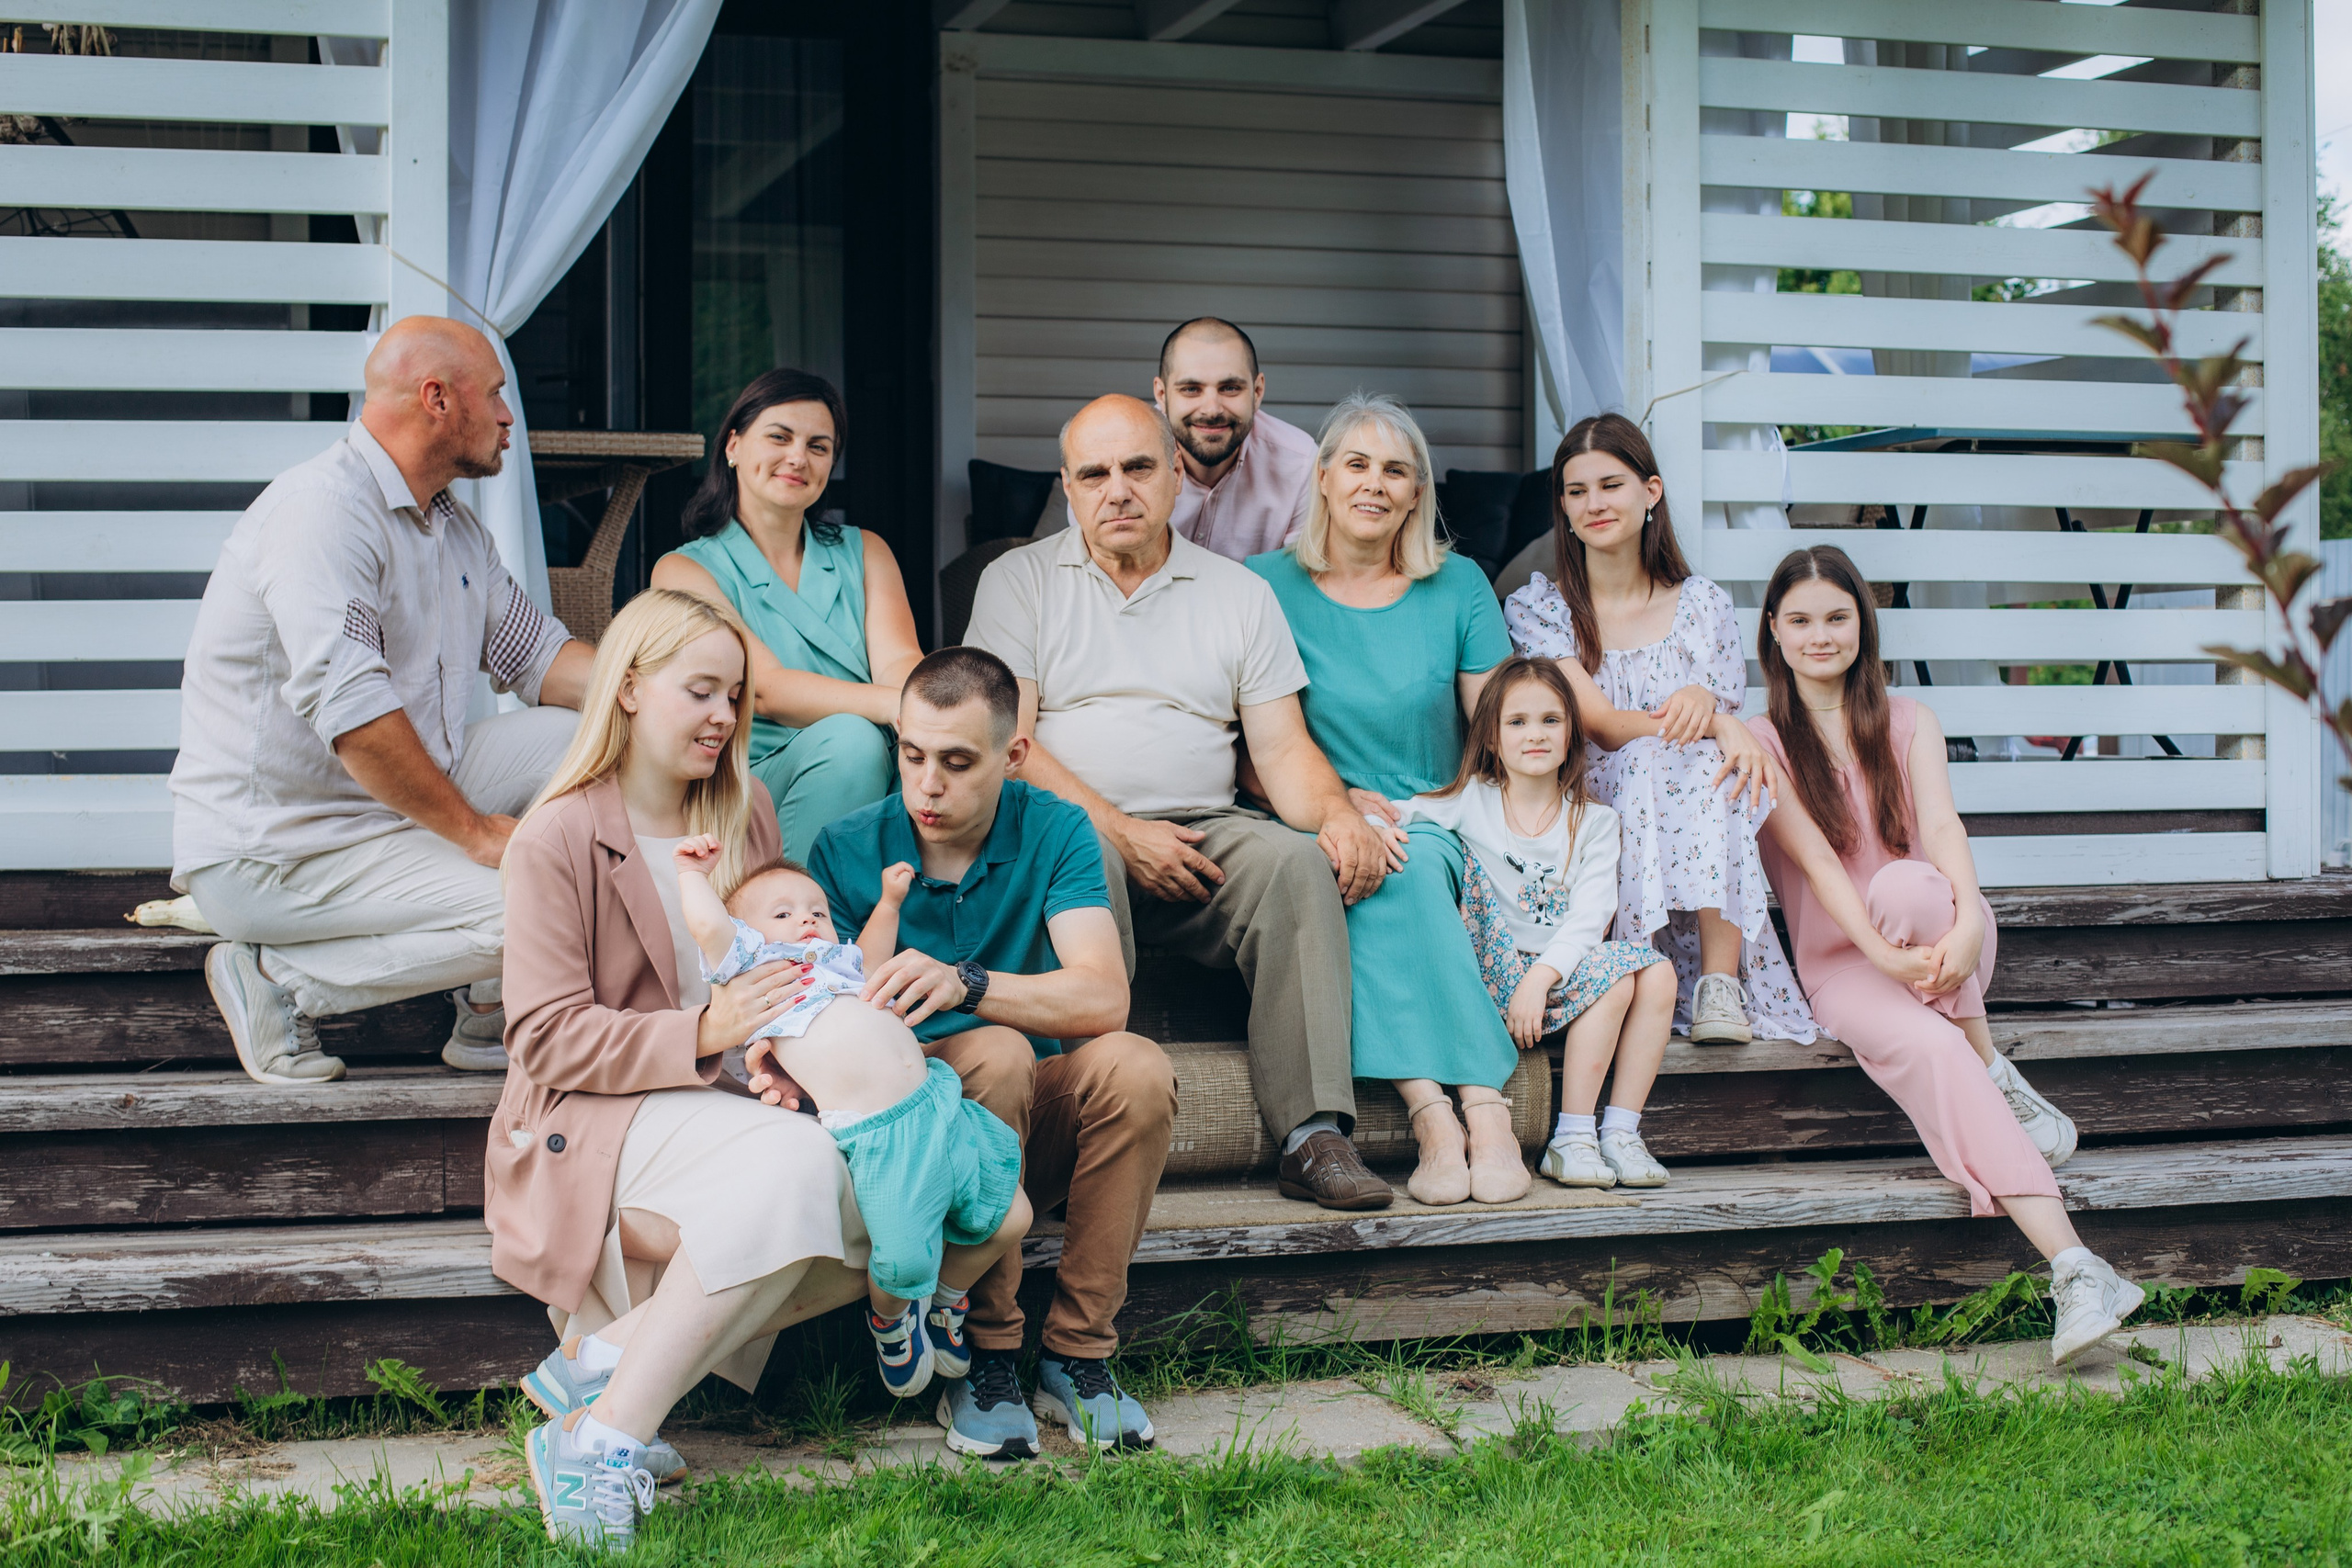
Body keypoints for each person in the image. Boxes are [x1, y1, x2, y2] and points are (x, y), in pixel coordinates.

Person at [497, 589, 873, 1552]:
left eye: (736, 698)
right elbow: (543, 1036)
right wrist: (703, 1029)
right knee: (800, 1175)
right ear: (627, 689)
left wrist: (784, 1062)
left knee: (877, 1182)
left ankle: (610, 1377)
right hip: (594, 1119)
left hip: (723, 1108)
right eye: (699, 690)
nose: (722, 716)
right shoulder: (558, 834)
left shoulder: (747, 819)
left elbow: (774, 988)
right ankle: (610, 1435)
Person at [967, 393, 1396, 1212]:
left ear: (1174, 476)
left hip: (1205, 831)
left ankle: (1312, 1135)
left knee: (1294, 865)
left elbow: (1280, 749)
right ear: (1068, 486)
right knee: (1079, 847)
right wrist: (1124, 831)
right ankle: (1084, 1120)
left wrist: (1339, 812)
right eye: (1094, 474)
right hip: (1068, 833)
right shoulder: (1017, 582)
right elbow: (1008, 747)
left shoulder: (1235, 593)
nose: (1117, 490)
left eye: (1137, 467)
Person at [172, 315, 592, 1087]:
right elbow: (356, 719)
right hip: (278, 849)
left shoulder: (454, 528)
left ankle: (486, 1003)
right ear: (437, 398)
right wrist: (478, 836)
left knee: (585, 736)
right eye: (496, 395)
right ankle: (278, 983)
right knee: (544, 906)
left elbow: (539, 659)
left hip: (386, 808)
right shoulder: (322, 514)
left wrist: (663, 695)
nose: (508, 417)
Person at [1745, 545, 2136, 1367]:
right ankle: (2077, 1263)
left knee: (1914, 886)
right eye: (1802, 620)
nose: (1822, 635)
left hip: (1947, 932)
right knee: (1930, 1044)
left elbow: (1947, 829)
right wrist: (1885, 965)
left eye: (1838, 617)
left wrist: (1964, 927)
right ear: (1774, 633)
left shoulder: (1911, 721)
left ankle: (1992, 1075)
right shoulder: (1760, 742)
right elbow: (1817, 864)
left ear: (1863, 624)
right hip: (1844, 966)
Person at [807, 645, 1175, 1456]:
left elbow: (1102, 996)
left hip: (1021, 1120)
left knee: (1136, 1065)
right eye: (912, 754)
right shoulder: (844, 847)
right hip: (903, 1153)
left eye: (958, 761)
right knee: (999, 1052)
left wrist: (967, 983)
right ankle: (987, 1354)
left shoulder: (1056, 826)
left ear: (1012, 757)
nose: (928, 783)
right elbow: (815, 1020)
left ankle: (1080, 1355)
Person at [1243, 393, 1525, 1205]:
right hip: (1310, 818)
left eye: (1395, 469)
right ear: (1324, 478)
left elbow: (1495, 732)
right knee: (1340, 861)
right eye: (1356, 464)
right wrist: (1335, 806)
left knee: (1405, 856)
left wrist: (1447, 807)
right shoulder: (1262, 586)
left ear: (1416, 491)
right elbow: (1242, 754)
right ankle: (1454, 1112)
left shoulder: (1460, 584)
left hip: (1436, 813)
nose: (1374, 483)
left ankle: (1466, 1109)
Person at [670, 840, 1028, 1404]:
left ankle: (945, 1296)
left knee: (1012, 1215)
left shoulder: (841, 968)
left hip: (939, 1100)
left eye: (816, 910)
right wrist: (692, 875)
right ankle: (890, 1320)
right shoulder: (760, 974)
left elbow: (872, 952)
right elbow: (711, 928)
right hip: (880, 1136)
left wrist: (889, 901)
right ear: (750, 936)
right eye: (782, 913)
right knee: (902, 1260)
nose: (806, 918)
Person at [1502, 412, 1814, 1048]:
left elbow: (1716, 739)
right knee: (1656, 754)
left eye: (1611, 485)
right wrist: (1717, 718)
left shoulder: (1703, 606)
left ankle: (1718, 985)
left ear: (1651, 492)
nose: (1593, 503)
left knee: (1712, 764)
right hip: (1591, 801)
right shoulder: (1542, 608)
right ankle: (1634, 964)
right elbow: (1603, 725)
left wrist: (1718, 715)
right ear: (1561, 505)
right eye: (1577, 490)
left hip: (1690, 808)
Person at [1382, 658, 1679, 1192]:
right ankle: (1574, 1134)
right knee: (1617, 978)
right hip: (1490, 980)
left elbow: (1592, 916)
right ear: (1492, 738)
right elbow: (1396, 815)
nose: (1535, 735)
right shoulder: (1472, 801)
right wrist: (1350, 814)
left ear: (1571, 735)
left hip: (1552, 981)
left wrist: (1542, 978)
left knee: (1655, 974)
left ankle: (1610, 1133)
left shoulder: (1595, 822)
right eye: (1517, 722)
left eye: (1550, 720)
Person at [650, 368, 923, 861]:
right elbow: (765, 688)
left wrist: (927, 714)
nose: (798, 457)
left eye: (819, 447)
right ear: (732, 447)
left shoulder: (867, 551)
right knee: (853, 742)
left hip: (889, 757)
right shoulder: (683, 570)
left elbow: (901, 661)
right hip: (752, 782)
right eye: (780, 437)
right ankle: (795, 932)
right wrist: (897, 708)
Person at [1146, 316, 1317, 561]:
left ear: (1257, 392)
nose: (1212, 409)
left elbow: (1297, 584)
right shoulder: (1115, 458)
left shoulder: (1300, 467)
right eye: (1191, 389)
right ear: (1161, 394)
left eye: (1230, 388)